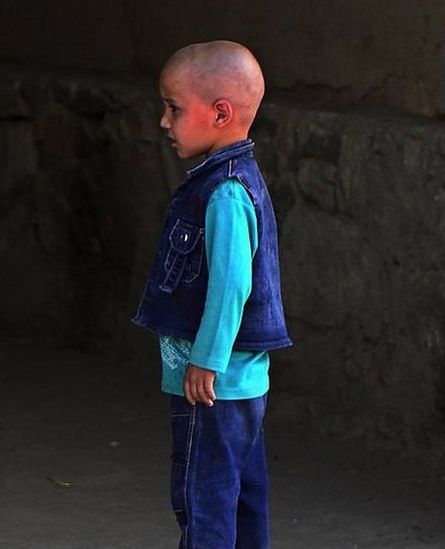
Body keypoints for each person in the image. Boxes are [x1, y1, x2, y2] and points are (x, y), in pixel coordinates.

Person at [132, 40, 292, 549]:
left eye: (174, 108)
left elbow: (232, 287)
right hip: (240, 384)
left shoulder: (223, 193)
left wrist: (206, 359)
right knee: (242, 495)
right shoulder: (236, 181)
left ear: (220, 113)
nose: (163, 121)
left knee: (204, 500)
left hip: (214, 386)